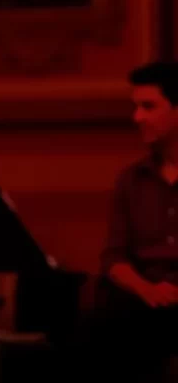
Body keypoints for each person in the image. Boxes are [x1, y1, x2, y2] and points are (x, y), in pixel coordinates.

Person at [86, 61, 178, 382]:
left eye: (148, 107)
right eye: (135, 107)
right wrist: (147, 290)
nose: (137, 117)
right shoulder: (131, 179)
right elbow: (114, 258)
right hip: (141, 299)